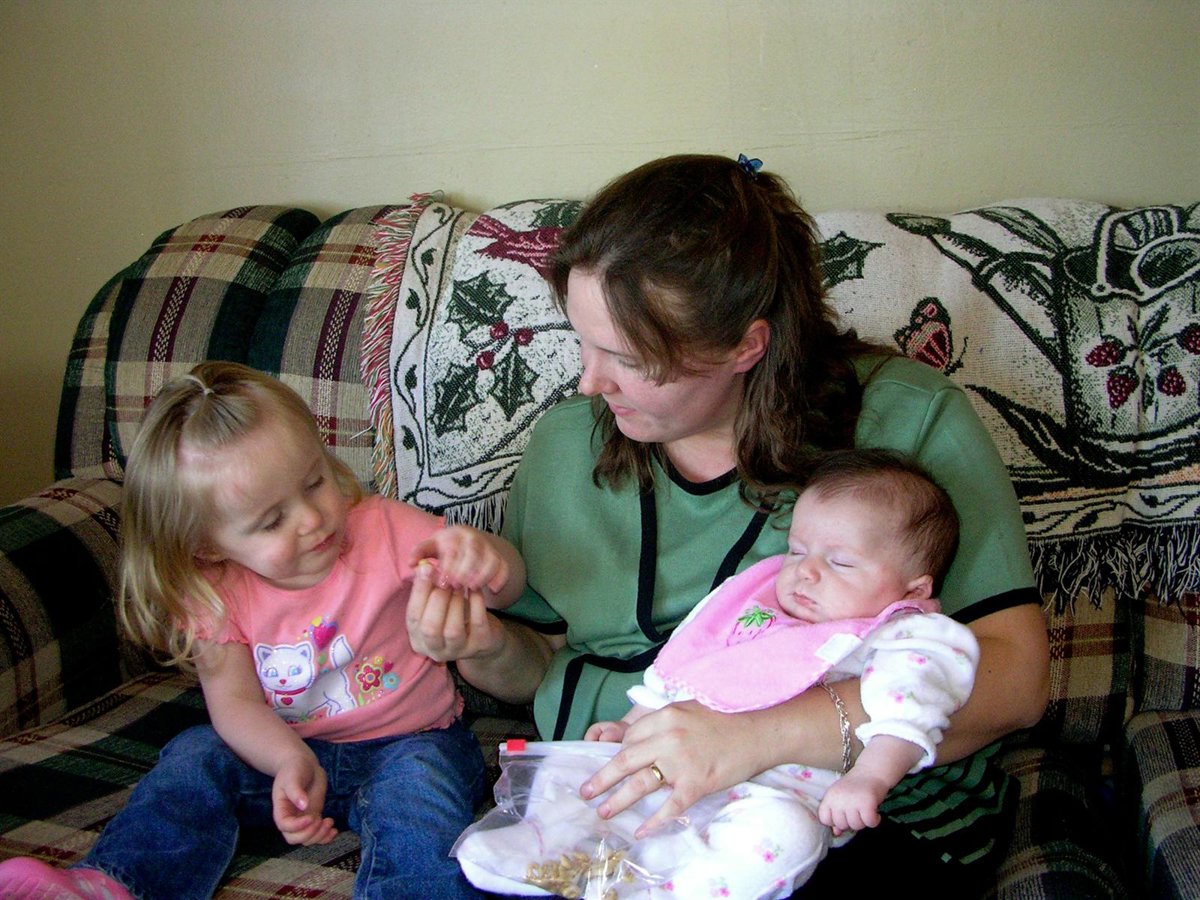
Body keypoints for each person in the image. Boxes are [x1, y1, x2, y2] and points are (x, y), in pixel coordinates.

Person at [405, 153, 1050, 894]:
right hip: (615, 803)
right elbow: (542, 666)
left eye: (627, 357)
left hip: (839, 809)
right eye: (583, 341)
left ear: (747, 344)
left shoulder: (909, 422)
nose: (589, 382)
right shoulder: (562, 448)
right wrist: (482, 645)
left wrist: (752, 739)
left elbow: (1018, 680)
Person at [0, 361, 525, 900]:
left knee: (417, 800)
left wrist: (489, 561)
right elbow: (235, 705)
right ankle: (114, 885)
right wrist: (287, 760)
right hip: (285, 754)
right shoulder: (212, 591)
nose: (312, 519)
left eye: (315, 482)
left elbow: (507, 590)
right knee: (196, 754)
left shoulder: (387, 529)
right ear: (207, 545)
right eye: (272, 520)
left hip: (414, 744)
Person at [453, 449, 979, 899]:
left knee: (787, 836)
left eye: (840, 562)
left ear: (913, 589)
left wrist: (870, 778)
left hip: (774, 794)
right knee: (577, 768)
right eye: (798, 550)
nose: (806, 570)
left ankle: (673, 886)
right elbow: (686, 671)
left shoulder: (907, 636)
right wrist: (632, 724)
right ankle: (541, 844)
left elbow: (910, 712)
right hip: (676, 766)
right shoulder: (758, 607)